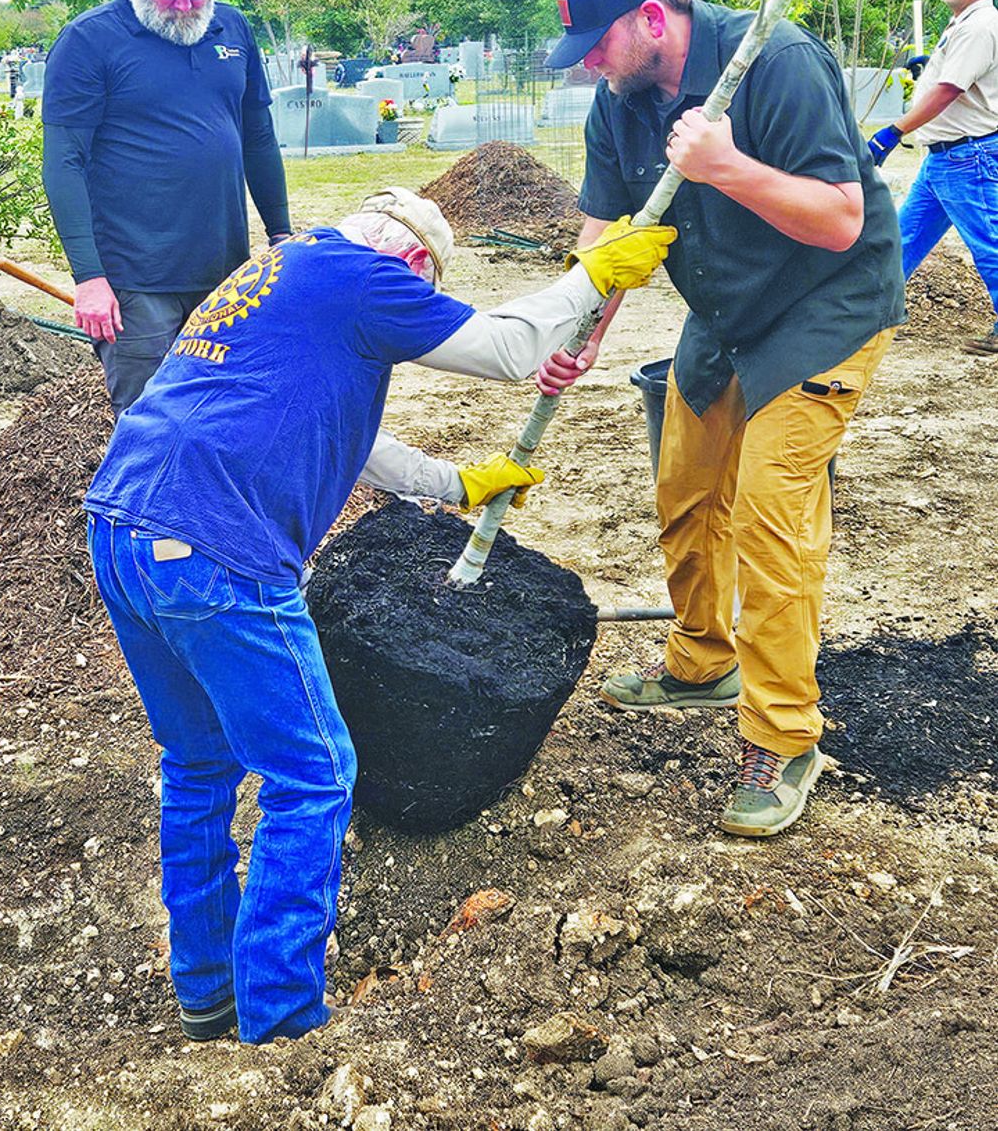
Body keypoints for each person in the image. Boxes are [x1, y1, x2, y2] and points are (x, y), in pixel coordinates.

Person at [84, 187, 674, 1044]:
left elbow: (346, 438)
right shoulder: (370, 278)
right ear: (410, 266)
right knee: (314, 775)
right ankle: (283, 1022)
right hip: (217, 551)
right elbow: (510, 348)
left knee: (199, 765)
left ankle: (207, 991)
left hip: (123, 530)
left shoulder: (278, 275)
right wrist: (590, 277)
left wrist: (459, 484)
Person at [537, 0, 905, 838]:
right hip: (728, 308)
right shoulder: (618, 103)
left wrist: (724, 164)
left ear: (653, 20)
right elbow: (606, 235)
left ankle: (785, 736)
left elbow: (842, 216)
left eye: (596, 41)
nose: (587, 61)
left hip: (828, 305)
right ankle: (703, 660)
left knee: (769, 509)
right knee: (687, 484)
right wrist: (576, 332)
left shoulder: (775, 63)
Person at [42, 0, 291, 417]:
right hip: (135, 282)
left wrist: (281, 235)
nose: (185, 5)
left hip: (226, 274)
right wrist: (89, 278)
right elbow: (64, 162)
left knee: (223, 414)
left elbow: (258, 139)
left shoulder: (234, 30)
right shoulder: (89, 41)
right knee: (151, 422)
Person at [867, 0, 998, 355]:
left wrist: (893, 131)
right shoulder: (964, 22)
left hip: (966, 156)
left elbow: (949, 91)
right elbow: (952, 81)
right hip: (944, 157)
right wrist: (932, 66)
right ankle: (871, 314)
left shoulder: (980, 26)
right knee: (903, 237)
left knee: (989, 244)